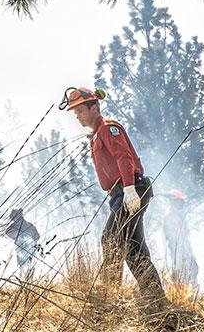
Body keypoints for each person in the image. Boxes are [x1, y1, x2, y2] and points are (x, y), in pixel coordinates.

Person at [59, 87, 167, 312]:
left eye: (80, 110)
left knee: (110, 240)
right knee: (133, 249)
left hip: (129, 190)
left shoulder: (109, 127)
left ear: (94, 107)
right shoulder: (100, 132)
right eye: (74, 112)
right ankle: (155, 299)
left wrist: (128, 189)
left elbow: (123, 157)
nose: (77, 115)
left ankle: (109, 299)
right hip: (122, 192)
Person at [157, 189, 198, 284]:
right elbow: (173, 237)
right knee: (181, 269)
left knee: (193, 267)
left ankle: (189, 289)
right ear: (174, 201)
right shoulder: (170, 216)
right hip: (178, 249)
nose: (182, 203)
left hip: (184, 246)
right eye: (180, 201)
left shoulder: (177, 214)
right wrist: (183, 253)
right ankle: (182, 290)